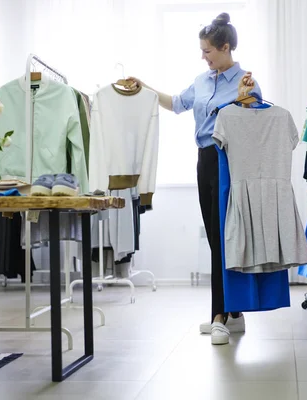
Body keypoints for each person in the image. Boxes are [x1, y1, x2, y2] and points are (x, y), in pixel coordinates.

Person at [129, 12, 261, 345]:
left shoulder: (245, 81)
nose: (203, 56)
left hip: (230, 160)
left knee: (223, 237)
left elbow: (256, 122)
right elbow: (176, 104)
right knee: (218, 237)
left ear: (226, 47)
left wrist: (247, 97)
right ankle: (233, 313)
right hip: (205, 161)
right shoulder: (202, 81)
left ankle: (218, 315)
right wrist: (144, 89)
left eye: (208, 51)